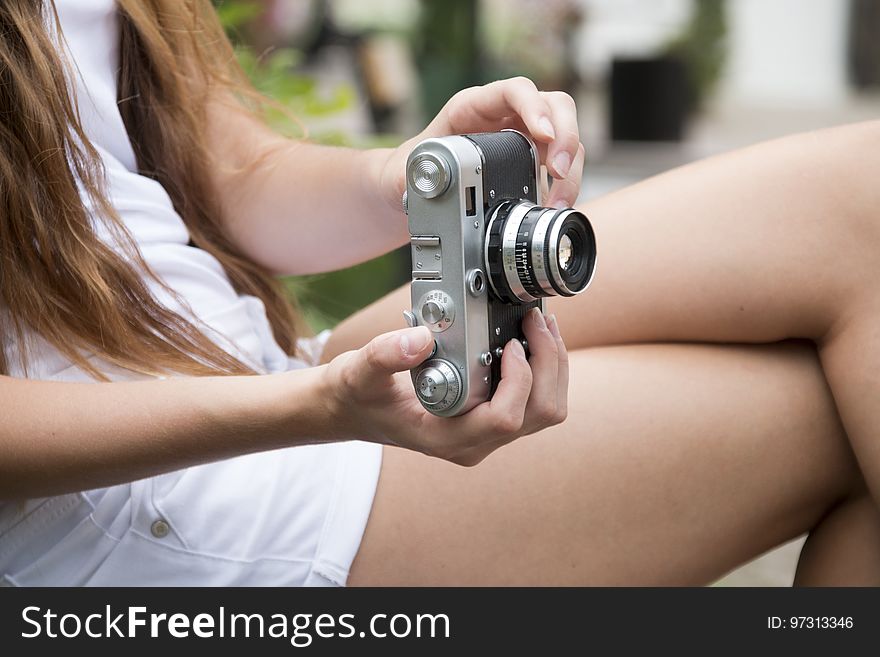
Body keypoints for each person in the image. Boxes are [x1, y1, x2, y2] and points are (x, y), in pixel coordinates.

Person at [1, 0, 878, 587]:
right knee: (838, 409)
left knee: (860, 195)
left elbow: (226, 172)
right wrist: (304, 408)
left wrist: (404, 177)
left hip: (264, 377)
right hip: (151, 505)